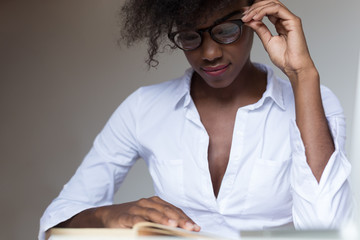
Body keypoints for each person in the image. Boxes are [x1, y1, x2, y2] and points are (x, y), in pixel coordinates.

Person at [39, 0, 353, 239]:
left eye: (226, 30)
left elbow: (323, 227)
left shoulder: (314, 101)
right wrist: (109, 215)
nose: (210, 52)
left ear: (256, 18)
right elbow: (56, 220)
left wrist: (303, 75)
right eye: (190, 37)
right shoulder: (143, 107)